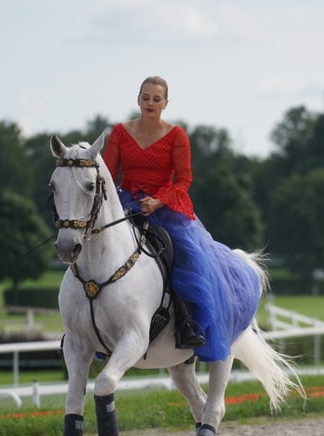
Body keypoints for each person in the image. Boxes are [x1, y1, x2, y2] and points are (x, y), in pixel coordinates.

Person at [103, 76, 259, 362]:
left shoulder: (176, 136)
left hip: (166, 206)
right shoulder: (120, 133)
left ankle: (189, 323)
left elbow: (184, 179)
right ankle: (93, 323)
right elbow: (110, 175)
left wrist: (158, 200)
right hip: (127, 202)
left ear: (165, 103)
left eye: (156, 98)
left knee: (188, 256)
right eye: (146, 97)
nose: (151, 103)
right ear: (138, 100)